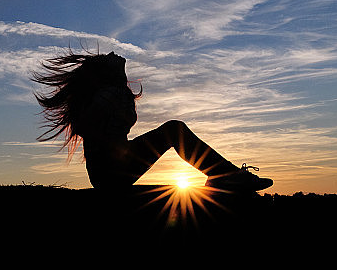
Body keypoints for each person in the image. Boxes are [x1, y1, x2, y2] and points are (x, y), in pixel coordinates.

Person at [32, 50, 272, 193]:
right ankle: (225, 177)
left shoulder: (115, 94)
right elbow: (86, 126)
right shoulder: (103, 97)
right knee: (173, 130)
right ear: (105, 73)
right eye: (109, 58)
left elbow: (117, 122)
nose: (114, 55)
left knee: (173, 130)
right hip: (110, 173)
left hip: (119, 164)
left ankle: (224, 175)